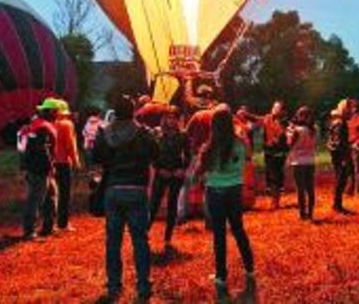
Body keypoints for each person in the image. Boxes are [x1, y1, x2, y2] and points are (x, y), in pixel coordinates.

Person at [93, 96, 158, 301]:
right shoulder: (143, 133)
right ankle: (143, 285)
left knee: (113, 241)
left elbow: (96, 157)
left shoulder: (104, 132)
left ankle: (114, 285)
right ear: (133, 111)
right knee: (140, 240)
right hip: (136, 188)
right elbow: (156, 154)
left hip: (113, 189)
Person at [194, 106, 255, 302]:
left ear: (213, 125)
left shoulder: (209, 147)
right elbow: (244, 162)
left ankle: (221, 276)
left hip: (215, 193)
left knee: (219, 234)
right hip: (234, 190)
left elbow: (198, 175)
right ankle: (250, 267)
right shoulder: (240, 144)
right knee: (238, 229)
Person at [17, 98, 59, 240]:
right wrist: (50, 166)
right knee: (35, 199)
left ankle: (48, 227)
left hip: (35, 168)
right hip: (40, 169)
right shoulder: (43, 127)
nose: (58, 114)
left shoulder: (37, 124)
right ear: (51, 112)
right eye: (57, 111)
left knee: (50, 196)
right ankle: (29, 231)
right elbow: (42, 149)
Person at [149, 106, 189, 248]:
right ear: (164, 119)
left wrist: (183, 169)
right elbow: (152, 154)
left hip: (176, 173)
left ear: (178, 120)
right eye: (168, 117)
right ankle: (145, 233)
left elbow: (188, 155)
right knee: (154, 204)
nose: (171, 120)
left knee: (172, 205)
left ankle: (168, 237)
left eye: (174, 117)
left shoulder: (183, 135)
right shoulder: (157, 134)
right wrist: (158, 169)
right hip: (162, 172)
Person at [53, 100, 81, 231]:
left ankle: (50, 221)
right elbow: (70, 145)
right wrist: (76, 161)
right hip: (63, 162)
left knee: (52, 193)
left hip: (51, 162)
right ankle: (63, 224)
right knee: (64, 193)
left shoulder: (50, 124)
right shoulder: (67, 124)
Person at [287, 106, 317, 220]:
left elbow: (289, 144)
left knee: (300, 190)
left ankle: (302, 214)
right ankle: (310, 214)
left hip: (298, 162)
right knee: (310, 189)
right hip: (310, 161)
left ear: (301, 116)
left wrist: (290, 130)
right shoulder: (314, 129)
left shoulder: (296, 130)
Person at [261, 100, 289, 208]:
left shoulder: (284, 122)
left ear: (282, 111)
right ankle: (274, 199)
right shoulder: (267, 119)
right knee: (270, 175)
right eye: (274, 107)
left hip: (279, 153)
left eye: (277, 108)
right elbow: (257, 119)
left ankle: (275, 201)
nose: (274, 109)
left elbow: (283, 135)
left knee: (275, 176)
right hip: (268, 152)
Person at [326, 100, 352, 213]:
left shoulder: (338, 122)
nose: (351, 111)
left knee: (341, 179)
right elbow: (337, 143)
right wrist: (344, 157)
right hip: (340, 156)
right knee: (340, 179)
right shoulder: (340, 123)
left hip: (339, 154)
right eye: (349, 109)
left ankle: (338, 205)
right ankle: (337, 205)